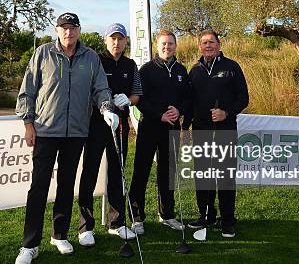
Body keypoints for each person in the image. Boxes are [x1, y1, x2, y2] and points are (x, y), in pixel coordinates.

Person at [14, 12, 118, 264]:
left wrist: (106, 108)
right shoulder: (43, 54)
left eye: (72, 28)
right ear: (56, 30)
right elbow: (28, 90)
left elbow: (101, 88)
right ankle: (29, 245)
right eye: (64, 28)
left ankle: (59, 235)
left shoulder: (91, 57)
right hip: (46, 130)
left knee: (66, 184)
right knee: (38, 186)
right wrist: (28, 124)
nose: (68, 32)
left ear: (79, 31)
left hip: (76, 133)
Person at [77, 23, 143, 247]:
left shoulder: (130, 64)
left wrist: (128, 100)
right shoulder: (95, 60)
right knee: (90, 173)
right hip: (96, 124)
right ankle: (85, 227)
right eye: (112, 38)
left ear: (126, 41)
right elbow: (87, 90)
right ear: (106, 40)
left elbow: (137, 95)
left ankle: (117, 223)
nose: (116, 43)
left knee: (118, 172)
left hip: (120, 125)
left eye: (120, 39)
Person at [182, 29, 249, 238]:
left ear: (219, 45)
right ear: (199, 46)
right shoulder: (194, 70)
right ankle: (206, 215)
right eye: (204, 42)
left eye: (211, 42)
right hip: (201, 131)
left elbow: (243, 98)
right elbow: (189, 103)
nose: (208, 45)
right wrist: (185, 128)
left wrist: (226, 112)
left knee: (225, 176)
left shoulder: (232, 67)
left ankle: (228, 221)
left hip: (225, 130)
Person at [128, 29, 191, 234]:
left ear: (175, 45)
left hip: (172, 128)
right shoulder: (146, 70)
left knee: (168, 172)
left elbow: (188, 98)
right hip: (150, 127)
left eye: (170, 43)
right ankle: (137, 218)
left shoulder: (182, 70)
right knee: (141, 172)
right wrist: (159, 115)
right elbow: (139, 101)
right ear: (157, 46)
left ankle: (167, 215)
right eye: (163, 43)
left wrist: (180, 109)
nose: (167, 47)